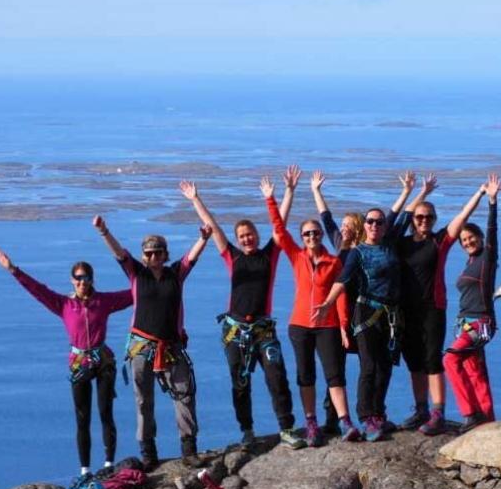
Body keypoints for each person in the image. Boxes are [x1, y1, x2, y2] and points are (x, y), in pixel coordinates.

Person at [181, 167, 305, 451]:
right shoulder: (232, 257)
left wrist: (288, 192)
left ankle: (286, 428)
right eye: (242, 236)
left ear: (256, 236)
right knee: (240, 383)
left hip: (263, 329)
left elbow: (280, 225)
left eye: (250, 234)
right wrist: (196, 200)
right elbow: (213, 227)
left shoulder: (269, 255)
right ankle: (247, 432)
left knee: (277, 378)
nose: (246, 238)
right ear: (237, 240)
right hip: (235, 332)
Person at [314, 175, 433, 441]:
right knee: (370, 366)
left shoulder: (390, 242)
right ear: (364, 225)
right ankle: (367, 417)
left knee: (386, 366)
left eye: (379, 222)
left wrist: (417, 192)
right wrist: (328, 303)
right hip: (367, 314)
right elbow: (343, 279)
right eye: (370, 221)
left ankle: (379, 413)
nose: (375, 226)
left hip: (392, 315)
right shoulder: (357, 252)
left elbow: (405, 214)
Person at [0, 249, 132, 475]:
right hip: (79, 364)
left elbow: (135, 293)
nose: (82, 282)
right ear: (72, 280)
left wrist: (153, 278)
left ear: (91, 280)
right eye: (78, 278)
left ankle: (108, 464)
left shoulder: (104, 302)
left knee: (106, 412)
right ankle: (85, 469)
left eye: (86, 278)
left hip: (103, 360)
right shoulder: (64, 305)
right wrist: (13, 270)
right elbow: (38, 290)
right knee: (82, 417)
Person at [93, 215, 212, 471]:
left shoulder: (175, 274)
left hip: (171, 347)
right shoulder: (137, 273)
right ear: (144, 255)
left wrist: (203, 239)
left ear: (165, 254)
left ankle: (188, 450)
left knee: (184, 394)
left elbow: (191, 258)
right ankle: (148, 453)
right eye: (150, 253)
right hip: (142, 348)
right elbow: (119, 253)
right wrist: (104, 231)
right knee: (143, 401)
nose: (155, 256)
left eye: (159, 252)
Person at [263, 174, 361, 445]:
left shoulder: (333, 262)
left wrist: (343, 326)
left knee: (334, 374)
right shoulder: (296, 256)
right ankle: (311, 423)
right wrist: (276, 197)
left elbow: (340, 295)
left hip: (328, 325)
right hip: (300, 326)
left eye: (315, 233)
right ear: (302, 237)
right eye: (306, 234)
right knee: (305, 375)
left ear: (321, 236)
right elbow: (279, 231)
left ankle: (345, 422)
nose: (311, 237)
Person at [396, 177, 499, 435]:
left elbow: (463, 216)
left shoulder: (439, 241)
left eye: (429, 217)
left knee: (437, 361)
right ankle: (422, 409)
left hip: (434, 310)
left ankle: (438, 413)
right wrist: (417, 192)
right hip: (408, 310)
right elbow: (396, 219)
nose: (424, 221)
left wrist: (481, 192)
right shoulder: (403, 244)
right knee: (415, 363)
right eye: (419, 217)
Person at [444, 173, 501, 432]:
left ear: (480, 238)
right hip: (466, 322)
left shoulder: (487, 259)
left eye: (471, 238)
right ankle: (487, 419)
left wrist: (492, 202)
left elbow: (492, 232)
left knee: (450, 359)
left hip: (480, 323)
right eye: (464, 241)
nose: (468, 242)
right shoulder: (469, 262)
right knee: (473, 368)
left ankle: (469, 414)